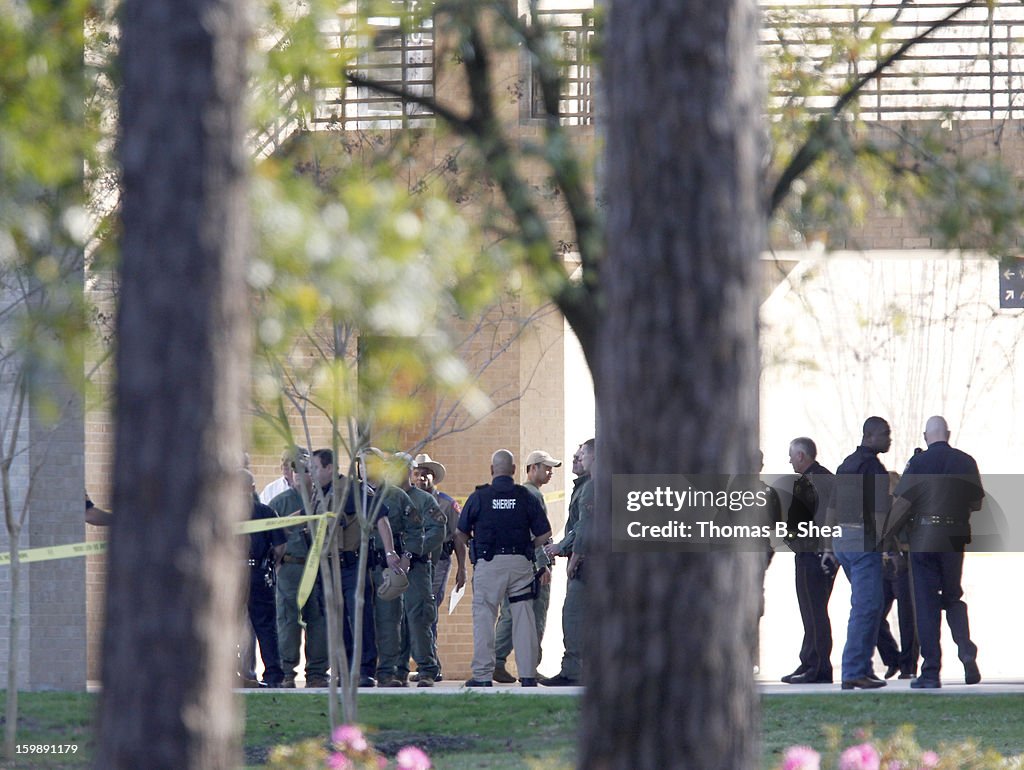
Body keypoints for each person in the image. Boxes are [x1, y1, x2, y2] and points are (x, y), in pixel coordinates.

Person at [883, 415, 983, 689]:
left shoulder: (918, 463)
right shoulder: (966, 461)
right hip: (954, 537)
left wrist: (886, 535)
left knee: (926, 605)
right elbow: (976, 503)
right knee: (953, 596)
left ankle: (930, 671)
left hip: (924, 538)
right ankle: (965, 649)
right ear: (947, 434)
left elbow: (902, 505)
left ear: (926, 436)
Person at [455, 449, 552, 687]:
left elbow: (460, 532)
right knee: (524, 618)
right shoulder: (525, 496)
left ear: (491, 470)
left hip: (489, 566)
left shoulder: (479, 497)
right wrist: (528, 547)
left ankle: (482, 675)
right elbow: (545, 532)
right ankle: (528, 675)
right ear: (514, 470)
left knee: (485, 617)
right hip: (520, 565)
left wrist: (468, 552)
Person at [824, 416, 892, 690]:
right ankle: (853, 670)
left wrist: (829, 546)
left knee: (870, 604)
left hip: (843, 540)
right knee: (866, 607)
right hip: (862, 540)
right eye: (885, 434)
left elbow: (831, 507)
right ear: (870, 436)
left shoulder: (846, 464)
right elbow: (878, 514)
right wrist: (887, 549)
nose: (889, 439)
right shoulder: (874, 468)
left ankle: (863, 667)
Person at [493, 449, 560, 684]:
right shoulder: (532, 495)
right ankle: (529, 667)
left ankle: (497, 661)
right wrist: (543, 565)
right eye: (545, 467)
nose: (550, 472)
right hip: (532, 565)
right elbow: (537, 533)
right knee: (534, 615)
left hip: (514, 563)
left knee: (510, 613)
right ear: (532, 468)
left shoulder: (519, 494)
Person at [267, 446, 330, 688]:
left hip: (318, 568)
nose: (299, 475)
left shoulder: (326, 500)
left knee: (318, 619)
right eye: (295, 470)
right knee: (287, 620)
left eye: (305, 470)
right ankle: (286, 671)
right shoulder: (279, 502)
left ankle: (317, 672)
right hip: (289, 569)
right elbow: (267, 535)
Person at [780, 438, 835, 685]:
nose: (790, 460)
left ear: (801, 456)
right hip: (825, 555)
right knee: (816, 612)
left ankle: (818, 667)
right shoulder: (828, 479)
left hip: (810, 555)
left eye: (791, 455)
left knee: (813, 613)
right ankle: (810, 661)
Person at [540, 439, 594, 687]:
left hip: (587, 563)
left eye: (581, 455)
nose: (577, 458)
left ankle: (572, 672)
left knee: (572, 615)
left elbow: (585, 526)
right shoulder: (584, 486)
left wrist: (571, 554)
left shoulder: (592, 487)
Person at [392, 452, 446, 687]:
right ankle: (397, 671)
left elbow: (438, 530)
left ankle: (426, 669)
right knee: (395, 619)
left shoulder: (424, 500)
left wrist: (412, 552)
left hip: (417, 569)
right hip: (392, 570)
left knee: (419, 617)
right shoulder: (387, 499)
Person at [412, 452, 462, 681]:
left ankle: (431, 665)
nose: (422, 479)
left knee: (428, 609)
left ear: (434, 478)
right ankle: (422, 662)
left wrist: (462, 568)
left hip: (439, 561)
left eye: (426, 475)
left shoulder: (447, 503)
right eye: (417, 474)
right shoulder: (407, 499)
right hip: (412, 562)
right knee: (412, 612)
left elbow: (458, 537)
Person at [240, 469, 286, 687]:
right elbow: (280, 546)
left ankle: (241, 674)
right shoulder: (266, 511)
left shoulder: (222, 512)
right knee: (266, 626)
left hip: (231, 575)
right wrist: (271, 563)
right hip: (258, 572)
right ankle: (273, 675)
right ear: (253, 488)